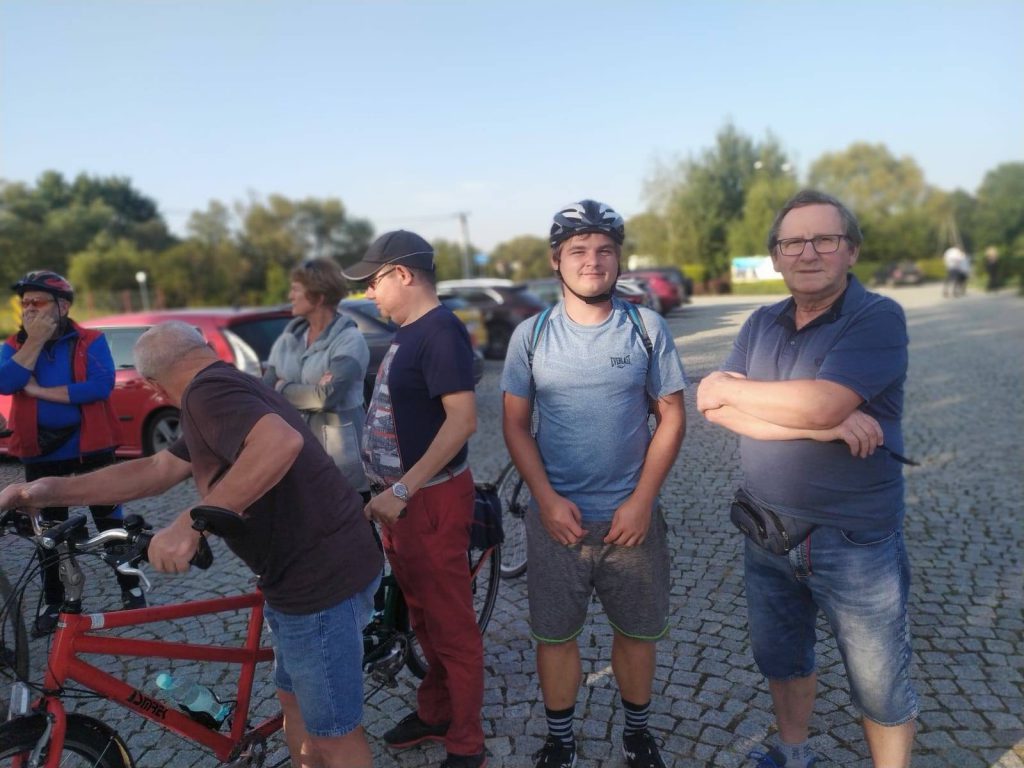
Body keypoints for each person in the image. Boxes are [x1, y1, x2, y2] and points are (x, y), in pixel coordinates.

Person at [0, 321, 383, 768]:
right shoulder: (222, 385)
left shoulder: (208, 392)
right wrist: (46, 490)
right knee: (293, 704)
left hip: (319, 582)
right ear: (201, 348)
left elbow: (281, 441)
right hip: (301, 574)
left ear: (152, 384)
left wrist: (193, 522)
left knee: (334, 736)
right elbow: (157, 469)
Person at [697, 190, 917, 768]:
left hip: (854, 540)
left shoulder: (877, 317)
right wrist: (823, 429)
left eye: (824, 239)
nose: (808, 252)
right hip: (766, 530)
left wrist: (742, 391)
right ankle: (794, 756)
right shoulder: (760, 322)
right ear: (776, 256)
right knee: (782, 660)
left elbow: (816, 402)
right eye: (793, 242)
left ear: (851, 251)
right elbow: (714, 409)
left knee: (880, 682)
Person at [501, 200, 687, 768]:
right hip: (558, 522)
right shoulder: (531, 336)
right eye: (578, 250)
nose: (593, 260)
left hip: (631, 521)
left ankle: (637, 733)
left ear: (619, 259)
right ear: (556, 261)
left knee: (637, 633)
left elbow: (672, 417)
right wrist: (546, 499)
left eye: (605, 249)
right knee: (556, 637)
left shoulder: (646, 327)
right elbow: (515, 424)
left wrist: (642, 500)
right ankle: (560, 741)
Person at [342, 231, 485, 768]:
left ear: (403, 273)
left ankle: (467, 743)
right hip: (401, 506)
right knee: (422, 618)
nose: (368, 293)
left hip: (429, 502)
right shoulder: (409, 331)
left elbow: (462, 420)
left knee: (451, 627)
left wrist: (403, 489)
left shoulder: (441, 331)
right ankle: (437, 711)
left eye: (373, 281)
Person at [0, 270, 144, 636]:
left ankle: (131, 587)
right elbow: (6, 382)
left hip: (91, 449)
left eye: (38, 302)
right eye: (25, 303)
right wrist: (35, 341)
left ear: (62, 306)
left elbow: (98, 387)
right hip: (42, 454)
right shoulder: (15, 346)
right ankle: (54, 600)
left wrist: (40, 392)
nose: (29, 309)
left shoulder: (90, 340)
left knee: (110, 523)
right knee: (47, 533)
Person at [263, 257, 370, 495]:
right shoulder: (287, 339)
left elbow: (326, 397)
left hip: (341, 465)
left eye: (296, 290)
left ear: (318, 297)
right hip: (296, 459)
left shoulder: (350, 340)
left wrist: (283, 387)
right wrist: (306, 391)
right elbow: (265, 390)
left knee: (351, 518)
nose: (290, 296)